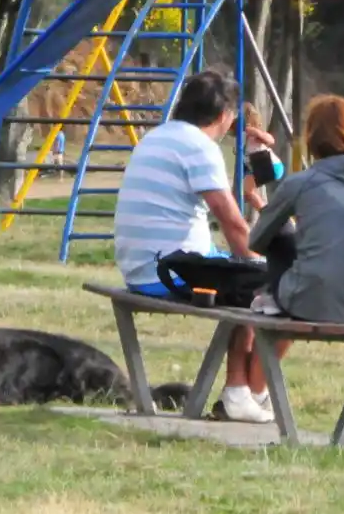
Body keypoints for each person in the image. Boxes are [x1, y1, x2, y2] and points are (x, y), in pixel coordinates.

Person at [112, 70, 277, 423]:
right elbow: (231, 220)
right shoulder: (199, 147)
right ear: (224, 116)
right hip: (172, 271)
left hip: (141, 268)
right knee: (260, 283)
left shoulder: (156, 137)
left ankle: (250, 392)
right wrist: (259, 262)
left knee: (249, 275)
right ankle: (241, 392)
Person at [247, 94, 344, 325]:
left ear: (310, 138)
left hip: (306, 303)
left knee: (281, 228)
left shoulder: (300, 183)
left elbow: (257, 241)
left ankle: (274, 296)